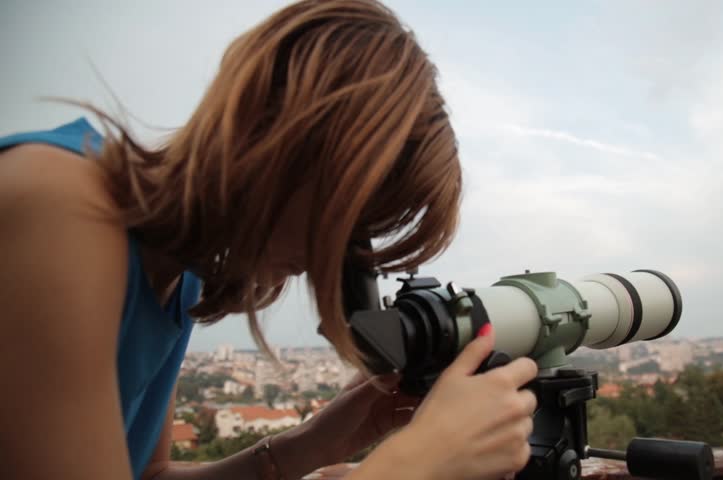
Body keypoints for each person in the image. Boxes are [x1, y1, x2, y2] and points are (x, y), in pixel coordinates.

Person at [0, 1, 538, 479]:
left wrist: (320, 442)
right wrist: (409, 468)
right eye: (347, 216)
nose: (328, 260)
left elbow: (150, 473)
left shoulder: (179, 276)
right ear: (279, 133)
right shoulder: (60, 205)